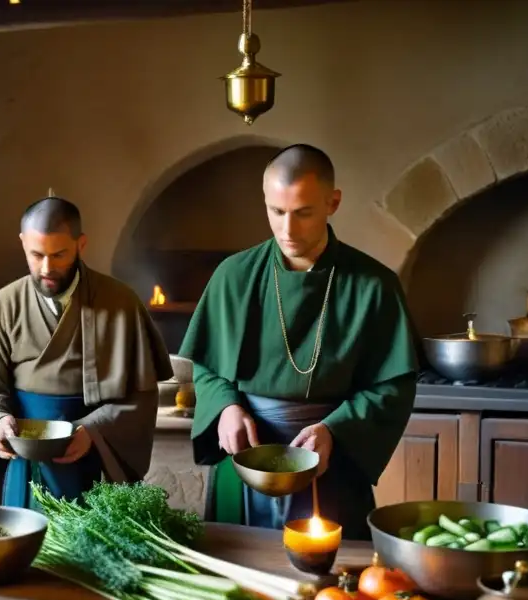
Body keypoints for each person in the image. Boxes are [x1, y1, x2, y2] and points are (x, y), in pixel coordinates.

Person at [178, 144, 419, 540]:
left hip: (329, 461)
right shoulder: (233, 276)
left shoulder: (374, 286)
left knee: (327, 589)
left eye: (303, 213)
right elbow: (207, 366)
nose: (288, 230)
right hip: (244, 459)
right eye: (277, 212)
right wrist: (224, 407)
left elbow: (393, 385)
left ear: (333, 203)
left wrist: (335, 430)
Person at [0, 196, 174, 509]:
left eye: (59, 254)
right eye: (36, 255)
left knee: (97, 549)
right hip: (27, 456)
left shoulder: (120, 303)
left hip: (95, 458)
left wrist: (95, 430)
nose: (47, 267)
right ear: (23, 243)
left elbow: (141, 395)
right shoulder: (6, 303)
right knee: (30, 550)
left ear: (80, 244)